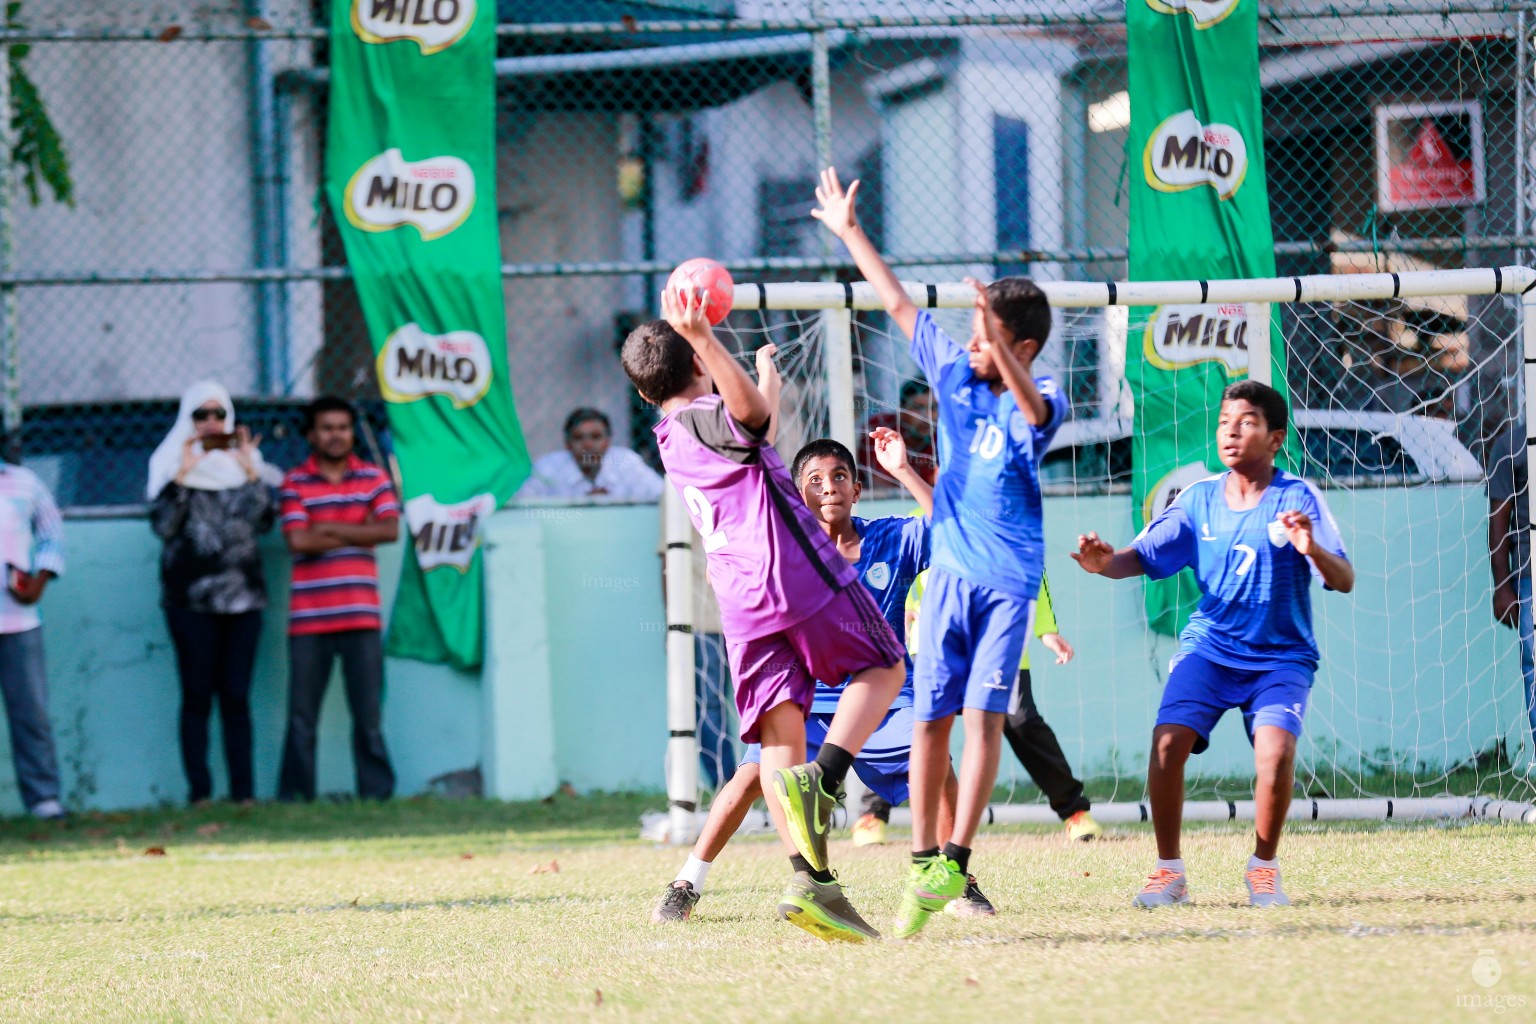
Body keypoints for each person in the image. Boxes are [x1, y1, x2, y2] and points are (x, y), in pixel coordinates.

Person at [813, 165, 1067, 937]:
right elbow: (894, 303)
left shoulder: (1040, 395)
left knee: (985, 723)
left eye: (983, 334)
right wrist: (850, 231)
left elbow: (1031, 405)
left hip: (1008, 586)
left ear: (1017, 345)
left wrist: (1004, 346)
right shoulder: (954, 376)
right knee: (930, 719)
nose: (966, 340)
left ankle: (956, 854)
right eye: (968, 331)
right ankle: (924, 858)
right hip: (952, 581)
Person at [621, 288, 905, 943]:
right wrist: (710, 338)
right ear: (696, 360)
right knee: (885, 665)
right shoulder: (702, 413)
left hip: (740, 600)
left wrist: (765, 372)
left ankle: (812, 883)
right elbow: (748, 418)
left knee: (781, 738)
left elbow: (757, 421)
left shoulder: (670, 433)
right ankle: (827, 780)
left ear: (642, 397)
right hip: (792, 572)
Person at [652, 432, 995, 923]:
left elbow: (955, 530)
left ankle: (959, 880)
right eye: (814, 480)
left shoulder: (893, 538)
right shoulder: (782, 550)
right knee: (750, 778)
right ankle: (687, 881)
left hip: (881, 698)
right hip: (807, 698)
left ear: (857, 490)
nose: (829, 487)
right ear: (797, 495)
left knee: (936, 763)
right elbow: (726, 569)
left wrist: (902, 470)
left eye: (839, 477)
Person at [1072, 380, 1354, 908]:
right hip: (1211, 647)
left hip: (1280, 657)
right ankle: (1168, 871)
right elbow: (1141, 557)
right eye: (1226, 421)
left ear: (1274, 439)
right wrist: (1105, 563)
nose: (1231, 431)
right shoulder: (1198, 499)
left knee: (1275, 753)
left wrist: (1310, 545)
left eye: (1246, 422)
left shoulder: (1298, 497)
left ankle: (1264, 868)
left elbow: (1344, 579)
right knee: (1167, 743)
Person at [890, 569, 1104, 844]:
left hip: (1000, 637)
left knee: (1022, 721)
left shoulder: (1014, 526)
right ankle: (873, 812)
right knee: (912, 726)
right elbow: (907, 557)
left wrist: (1046, 629)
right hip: (934, 638)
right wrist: (903, 606)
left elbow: (1032, 566)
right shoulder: (927, 524)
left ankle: (1074, 811)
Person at [147, 381, 281, 804]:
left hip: (243, 600)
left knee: (237, 697)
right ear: (187, 420)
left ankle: (244, 794)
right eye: (200, 415)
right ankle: (199, 793)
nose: (210, 423)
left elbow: (264, 523)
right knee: (197, 695)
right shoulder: (169, 465)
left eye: (218, 415)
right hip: (190, 602)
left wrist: (249, 469)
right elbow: (163, 527)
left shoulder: (246, 467)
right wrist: (184, 474)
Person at [276, 397, 400, 802]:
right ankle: (296, 797)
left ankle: (376, 795)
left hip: (361, 618)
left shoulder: (374, 477)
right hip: (309, 620)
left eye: (343, 427)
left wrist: (327, 525)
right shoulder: (295, 481)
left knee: (368, 717)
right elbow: (298, 540)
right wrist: (354, 526)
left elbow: (388, 531)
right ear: (311, 434)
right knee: (302, 717)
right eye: (327, 428)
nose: (336, 435)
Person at [0, 457, 66, 819]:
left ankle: (44, 800)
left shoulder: (24, 482)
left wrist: (40, 578)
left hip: (17, 620)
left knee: (31, 714)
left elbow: (51, 532)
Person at [1487, 420, 1536, 764]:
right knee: (1534, 670)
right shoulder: (1511, 445)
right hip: (1529, 578)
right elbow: (1498, 519)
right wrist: (1503, 586)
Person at [515, 407, 664, 501]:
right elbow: (518, 506)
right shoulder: (547, 468)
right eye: (579, 438)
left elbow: (664, 496)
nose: (588, 445)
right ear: (568, 444)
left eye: (596, 437)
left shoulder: (627, 463)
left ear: (607, 442)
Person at [860, 380, 937, 491]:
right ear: (902, 411)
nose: (927, 416)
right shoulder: (882, 428)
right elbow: (881, 485)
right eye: (918, 408)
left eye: (933, 408)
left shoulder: (942, 437)